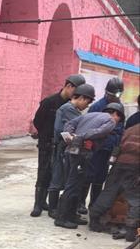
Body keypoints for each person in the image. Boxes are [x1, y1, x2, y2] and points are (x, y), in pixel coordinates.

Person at [53, 103, 122, 229]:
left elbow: (69, 124)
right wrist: (81, 136)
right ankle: (61, 218)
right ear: (116, 114)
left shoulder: (89, 115)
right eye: (119, 119)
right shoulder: (111, 120)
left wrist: (71, 135)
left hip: (71, 151)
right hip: (82, 153)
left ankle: (71, 215)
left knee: (76, 184)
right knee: (73, 185)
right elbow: (100, 132)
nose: (117, 123)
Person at [30, 74, 85, 217]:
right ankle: (38, 204)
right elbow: (38, 121)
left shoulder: (71, 106)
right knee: (43, 172)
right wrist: (46, 135)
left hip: (60, 145)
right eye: (76, 91)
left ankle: (46, 202)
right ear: (68, 86)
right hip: (46, 143)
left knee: (55, 173)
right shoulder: (49, 102)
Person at [47, 83, 95, 218]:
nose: (86, 106)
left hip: (63, 146)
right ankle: (53, 209)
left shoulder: (69, 109)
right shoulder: (69, 110)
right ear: (82, 98)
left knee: (60, 177)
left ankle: (56, 208)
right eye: (87, 102)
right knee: (58, 178)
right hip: (63, 147)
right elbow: (78, 128)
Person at [89, 120, 140, 241]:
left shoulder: (131, 129)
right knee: (135, 198)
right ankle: (131, 231)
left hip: (119, 164)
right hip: (134, 165)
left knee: (109, 191)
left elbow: (118, 146)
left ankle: (94, 220)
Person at [80, 76, 126, 211]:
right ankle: (81, 203)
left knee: (100, 178)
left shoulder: (119, 107)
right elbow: (89, 126)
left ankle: (94, 204)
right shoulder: (97, 106)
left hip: (108, 149)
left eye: (118, 95)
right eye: (113, 95)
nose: (116, 98)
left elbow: (120, 129)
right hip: (95, 148)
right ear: (107, 93)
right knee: (88, 175)